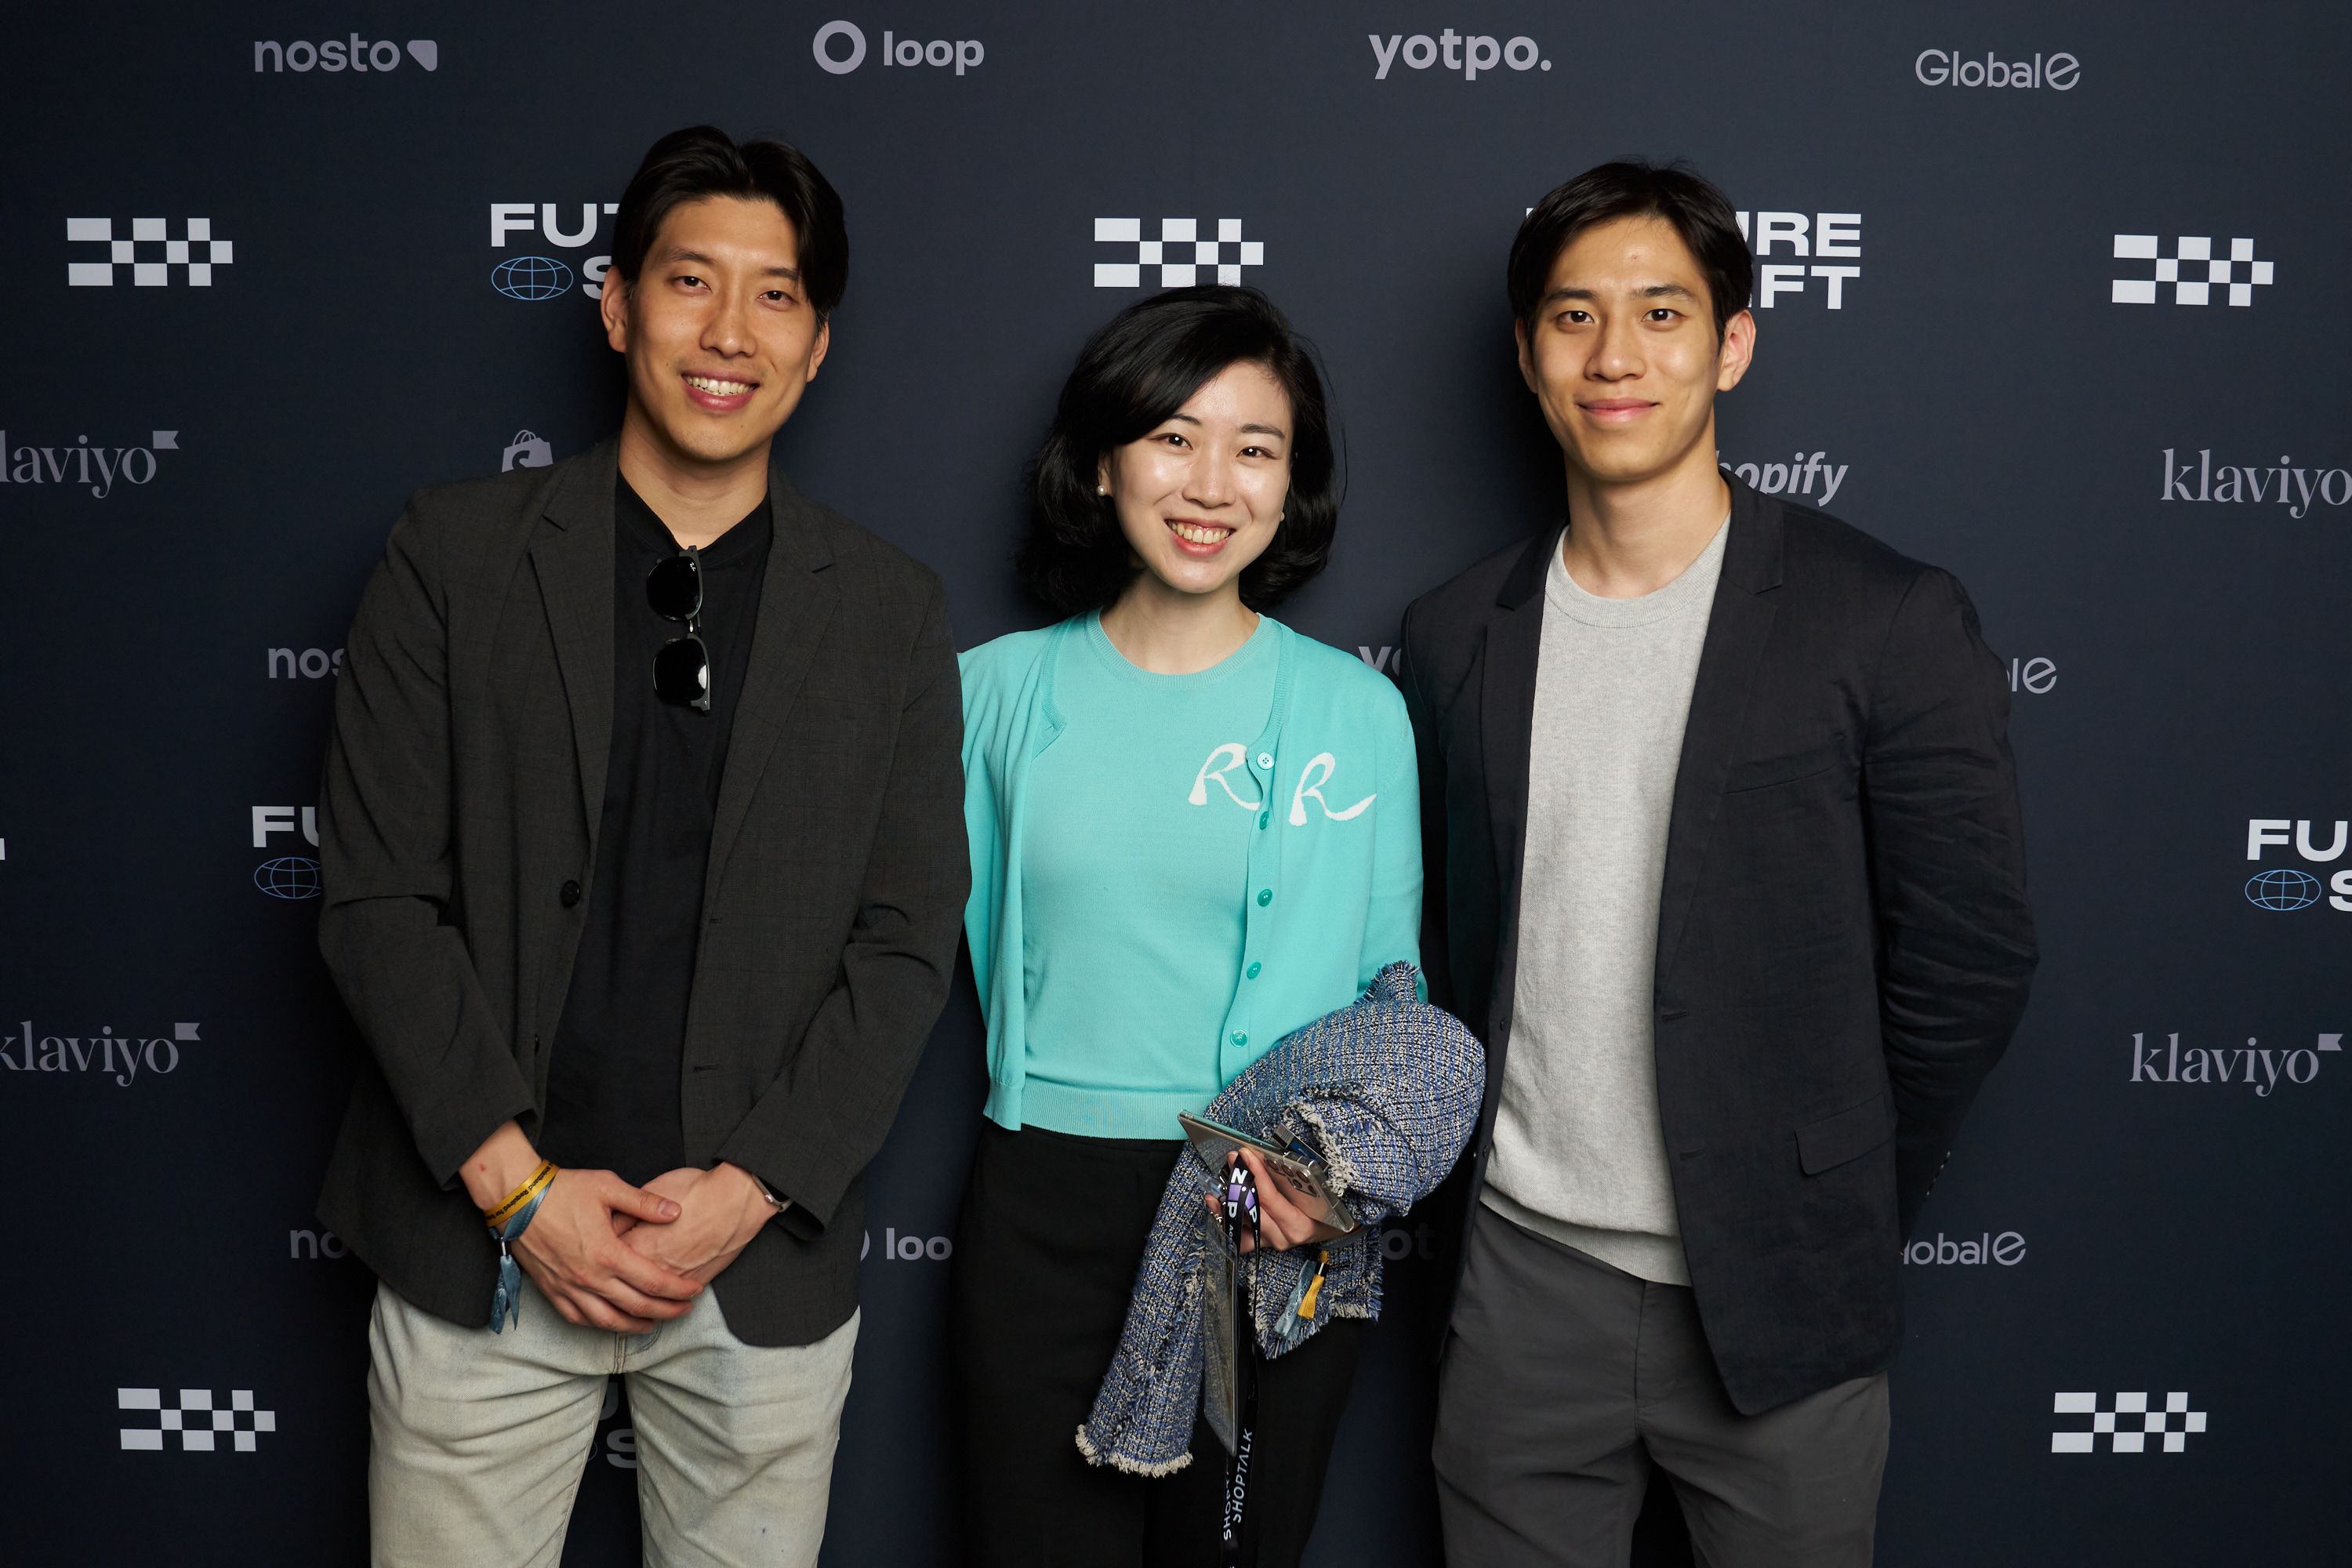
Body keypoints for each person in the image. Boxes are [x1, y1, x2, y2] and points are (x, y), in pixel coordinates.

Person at [314, 125, 969, 1567]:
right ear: (616, 305)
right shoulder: (452, 555)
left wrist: (747, 1193)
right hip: (479, 1254)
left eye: (775, 295)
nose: (728, 332)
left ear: (817, 346)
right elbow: (373, 897)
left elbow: (909, 937)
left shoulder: (892, 613)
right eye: (690, 282)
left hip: (754, 1273)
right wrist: (520, 1190)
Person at [1401, 161, 2038, 1566]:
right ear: (1525, 353)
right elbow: (1448, 952)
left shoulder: (1884, 618)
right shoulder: (1454, 635)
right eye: (1572, 318)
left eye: (1662, 313)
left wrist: (1824, 1175)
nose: (1615, 356)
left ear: (1733, 343)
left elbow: (1969, 962)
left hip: (1780, 1293)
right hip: (1517, 1284)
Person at [952, 285, 1421, 1567]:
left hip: (1264, 1205)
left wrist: (1333, 1187)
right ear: (1103, 462)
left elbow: (1396, 996)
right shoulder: (988, 694)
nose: (1211, 482)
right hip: (1041, 1203)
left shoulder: (1354, 713)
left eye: (1254, 448)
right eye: (1173, 435)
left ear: (1290, 486)